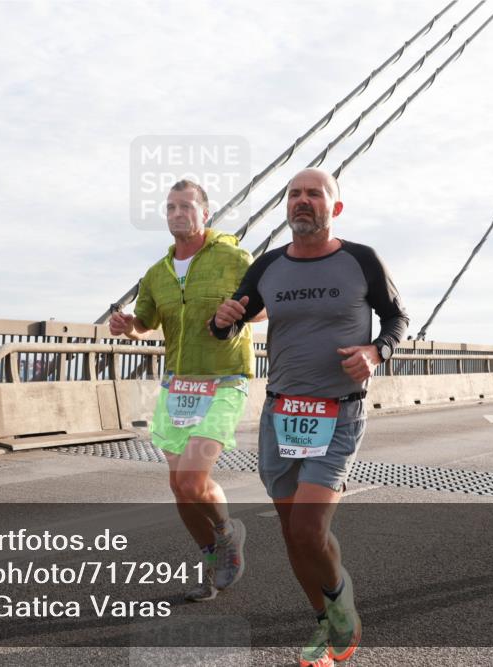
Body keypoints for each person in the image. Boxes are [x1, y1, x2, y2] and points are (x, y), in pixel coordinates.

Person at [211, 168, 408, 666]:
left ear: (334, 208)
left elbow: (398, 319)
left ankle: (340, 605)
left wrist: (376, 352)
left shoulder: (362, 260)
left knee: (307, 529)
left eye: (314, 194)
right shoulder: (268, 266)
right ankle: (326, 619)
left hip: (338, 412)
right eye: (294, 194)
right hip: (281, 412)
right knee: (292, 532)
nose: (302, 201)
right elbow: (230, 321)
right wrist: (221, 321)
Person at [109, 180, 260, 602]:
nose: (177, 213)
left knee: (193, 479)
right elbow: (144, 324)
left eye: (186, 206)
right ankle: (212, 561)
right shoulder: (155, 274)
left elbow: (264, 307)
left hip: (225, 379)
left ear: (204, 214)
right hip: (177, 384)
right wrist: (127, 327)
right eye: (171, 207)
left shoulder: (233, 257)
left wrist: (241, 312)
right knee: (180, 485)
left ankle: (229, 535)